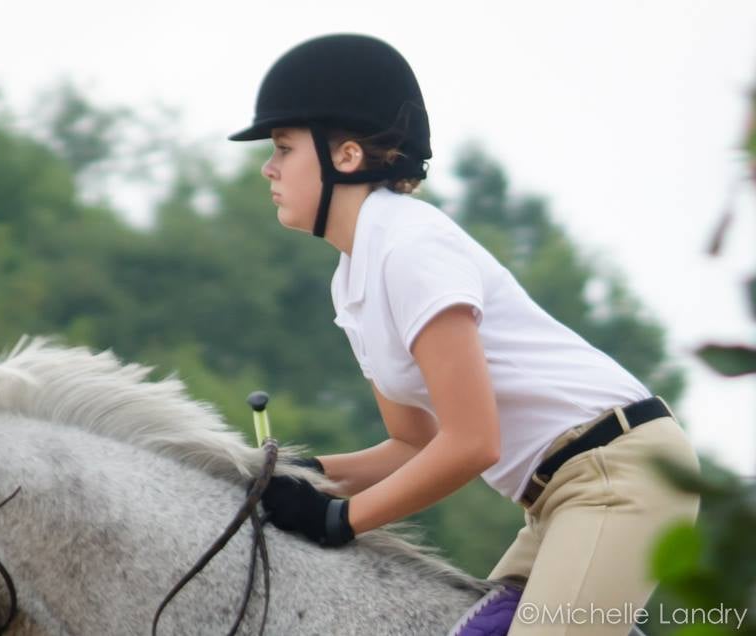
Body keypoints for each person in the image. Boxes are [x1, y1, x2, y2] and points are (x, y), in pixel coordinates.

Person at [228, 33, 701, 634]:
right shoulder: (352, 280)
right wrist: (295, 474)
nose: (268, 167)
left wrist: (338, 519)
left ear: (345, 156)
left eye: (283, 147)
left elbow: (474, 443)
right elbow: (413, 444)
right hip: (561, 495)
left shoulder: (409, 248)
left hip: (617, 474)